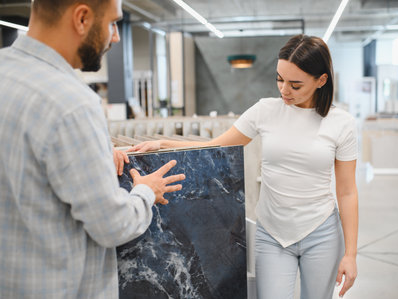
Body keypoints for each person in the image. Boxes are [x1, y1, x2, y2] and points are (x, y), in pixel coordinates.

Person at [127, 34, 358, 299]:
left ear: (321, 80)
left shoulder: (341, 123)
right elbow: (216, 146)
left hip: (322, 234)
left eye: (295, 85)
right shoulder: (266, 111)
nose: (284, 91)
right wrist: (163, 144)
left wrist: (350, 254)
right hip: (272, 235)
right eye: (280, 79)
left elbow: (347, 191)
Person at [0, 0, 185, 298]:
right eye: (113, 23)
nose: (116, 37)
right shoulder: (73, 104)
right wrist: (146, 191)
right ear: (82, 18)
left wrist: (92, 153)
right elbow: (113, 225)